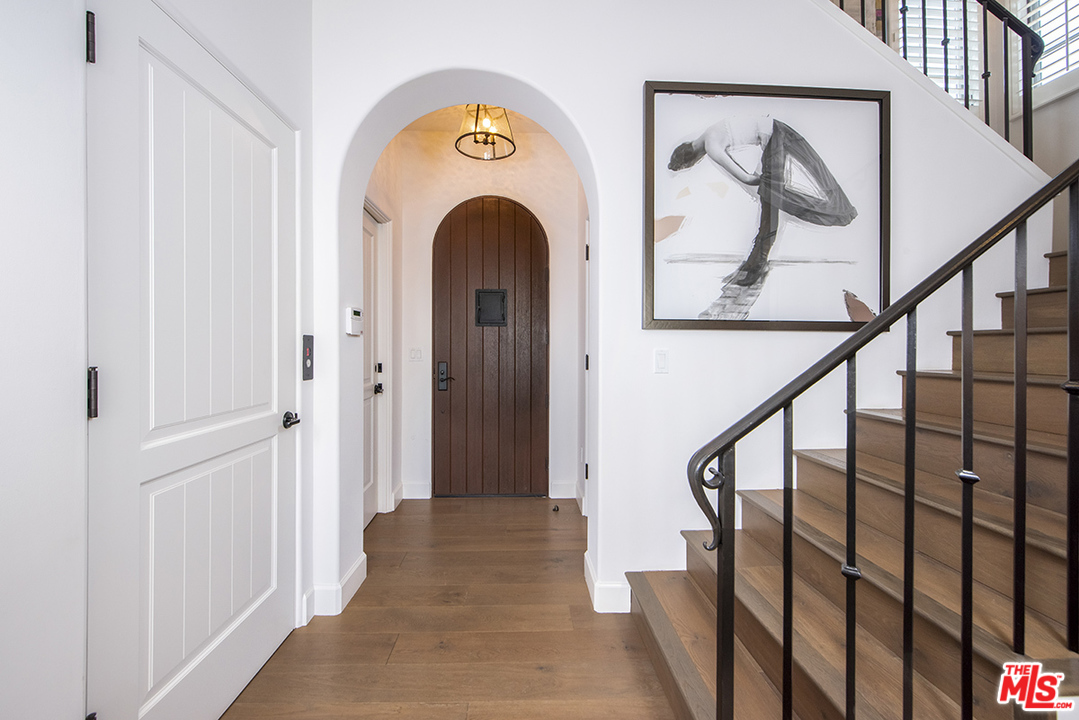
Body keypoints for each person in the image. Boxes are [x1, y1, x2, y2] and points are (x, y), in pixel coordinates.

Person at [669, 116, 857, 286]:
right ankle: (753, 263)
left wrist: (764, 181)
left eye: (690, 165)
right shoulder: (709, 132)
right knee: (776, 192)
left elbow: (746, 178)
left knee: (771, 196)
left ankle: (757, 264)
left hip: (774, 136)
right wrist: (765, 177)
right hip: (776, 129)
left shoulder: (711, 146)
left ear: (690, 160)